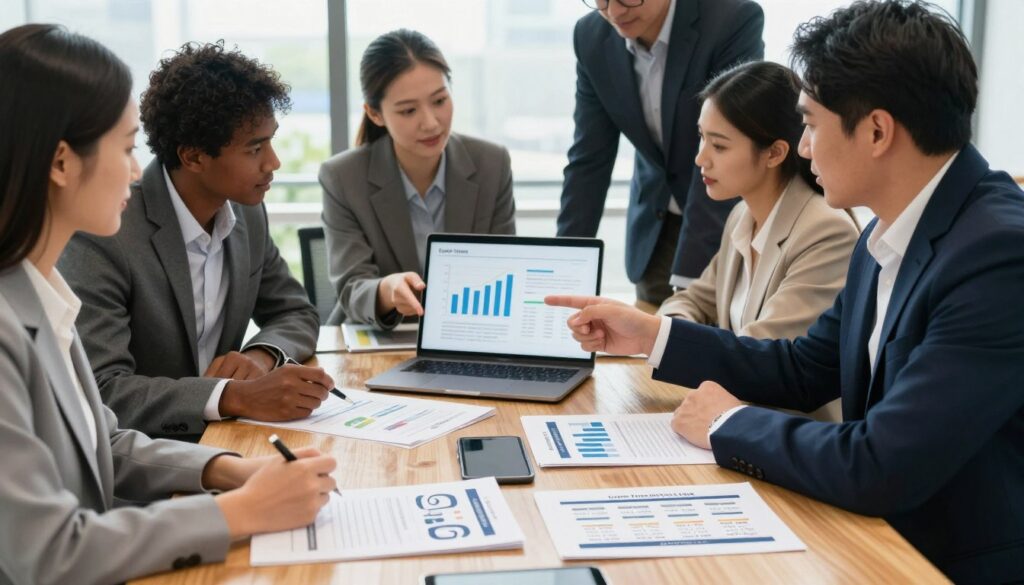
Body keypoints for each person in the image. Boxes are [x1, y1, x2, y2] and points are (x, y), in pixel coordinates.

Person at [547, 1, 1024, 581]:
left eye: (812, 125)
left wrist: (728, 423)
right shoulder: (885, 228)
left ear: (876, 131)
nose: (801, 148)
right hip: (871, 531)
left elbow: (883, 463)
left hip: (941, 561)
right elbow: (803, 368)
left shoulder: (998, 254)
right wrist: (653, 335)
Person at [0, 24, 336, 585]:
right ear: (62, 163)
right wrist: (241, 510)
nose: (137, 170)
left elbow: (101, 442)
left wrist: (232, 469)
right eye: (128, 148)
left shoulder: (41, 294)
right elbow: (50, 553)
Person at [59, 41, 329, 440]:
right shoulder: (106, 232)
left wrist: (261, 355)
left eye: (271, 142)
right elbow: (104, 389)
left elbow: (296, 312)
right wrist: (231, 396)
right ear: (194, 157)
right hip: (144, 458)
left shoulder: (248, 213)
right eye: (255, 147)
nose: (273, 163)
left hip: (229, 439)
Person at [658, 61, 859, 421]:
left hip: (786, 437)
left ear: (775, 153)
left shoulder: (826, 231)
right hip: (733, 418)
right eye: (702, 137)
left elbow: (761, 357)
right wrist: (667, 328)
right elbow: (692, 300)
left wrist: (657, 338)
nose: (700, 158)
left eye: (719, 146)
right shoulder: (742, 215)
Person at [557, 0, 764, 306]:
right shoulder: (591, 36)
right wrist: (561, 266)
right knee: (645, 340)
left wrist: (687, 292)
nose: (614, 12)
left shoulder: (731, 19)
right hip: (655, 224)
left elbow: (724, 148)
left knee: (709, 336)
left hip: (724, 217)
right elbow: (589, 160)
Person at [320, 29, 516, 328]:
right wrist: (387, 290)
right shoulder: (343, 177)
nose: (431, 122)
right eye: (408, 110)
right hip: (381, 335)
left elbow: (505, 268)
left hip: (469, 332)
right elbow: (352, 286)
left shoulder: (492, 163)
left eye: (439, 101)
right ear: (375, 114)